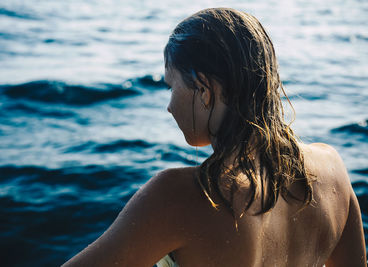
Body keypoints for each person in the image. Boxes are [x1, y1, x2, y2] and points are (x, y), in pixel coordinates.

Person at [62, 8, 366, 267]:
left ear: (204, 90)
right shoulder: (333, 169)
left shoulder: (179, 197)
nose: (169, 106)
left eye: (172, 87)